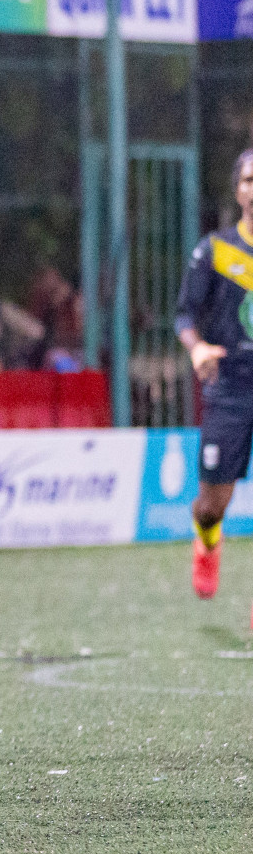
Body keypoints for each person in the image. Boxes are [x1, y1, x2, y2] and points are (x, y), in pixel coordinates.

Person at [176, 147, 253, 605]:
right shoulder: (216, 250)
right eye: (249, 180)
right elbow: (185, 315)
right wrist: (197, 347)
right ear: (238, 190)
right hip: (229, 387)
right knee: (211, 506)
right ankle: (207, 540)